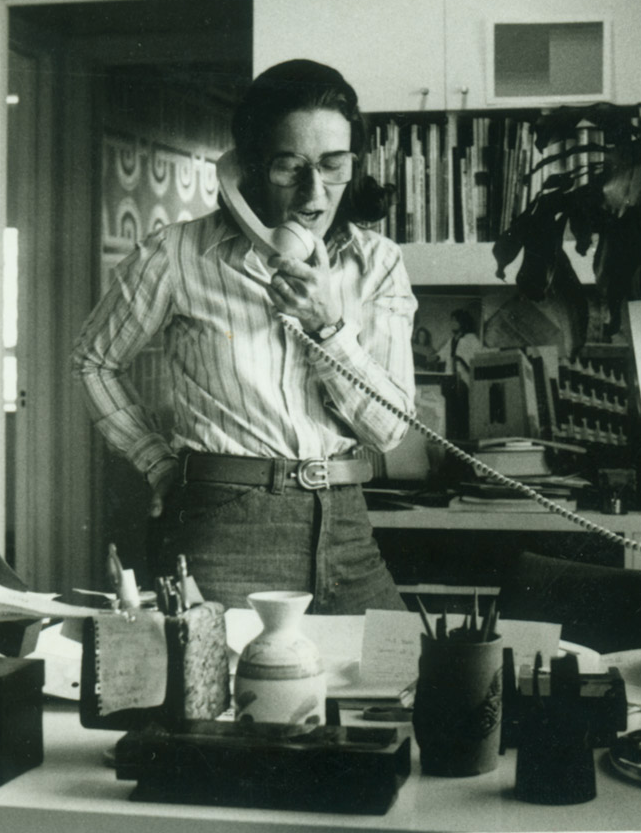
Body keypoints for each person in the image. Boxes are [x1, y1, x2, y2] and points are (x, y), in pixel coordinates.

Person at [73, 59, 417, 614]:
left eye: (333, 166)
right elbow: (93, 362)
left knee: (396, 685)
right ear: (251, 167)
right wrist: (157, 463)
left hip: (347, 526)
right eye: (289, 167)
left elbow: (388, 428)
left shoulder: (377, 262)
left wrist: (328, 330)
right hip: (224, 530)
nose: (315, 192)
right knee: (220, 695)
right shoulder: (176, 254)